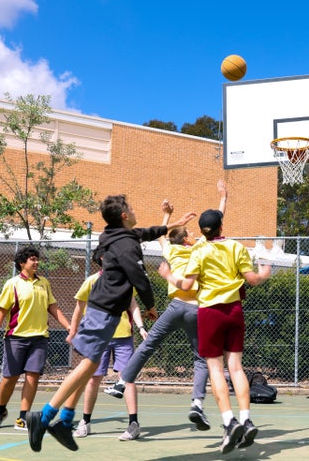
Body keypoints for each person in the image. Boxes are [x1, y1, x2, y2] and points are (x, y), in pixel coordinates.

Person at [25, 194, 190, 452]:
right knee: (87, 366)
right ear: (124, 215)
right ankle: (44, 416)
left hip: (106, 312)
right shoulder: (127, 246)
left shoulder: (114, 235)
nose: (135, 211)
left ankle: (65, 422)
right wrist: (152, 306)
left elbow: (144, 232)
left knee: (89, 369)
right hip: (103, 311)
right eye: (132, 207)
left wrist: (172, 222)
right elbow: (140, 279)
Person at [105, 180, 228, 435]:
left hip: (174, 307)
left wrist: (168, 215)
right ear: (186, 242)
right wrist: (222, 197)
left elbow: (161, 235)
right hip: (196, 309)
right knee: (200, 359)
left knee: (148, 345)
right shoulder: (202, 250)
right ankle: (196, 403)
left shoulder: (171, 253)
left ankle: (122, 381)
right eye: (190, 235)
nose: (194, 236)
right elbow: (216, 224)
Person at [159, 206, 271, 455]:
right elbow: (251, 280)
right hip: (234, 311)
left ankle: (229, 421)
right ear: (222, 227)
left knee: (215, 369)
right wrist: (263, 274)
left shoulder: (199, 249)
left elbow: (187, 285)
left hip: (210, 312)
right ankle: (246, 419)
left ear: (202, 232)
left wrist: (168, 276)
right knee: (237, 368)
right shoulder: (236, 248)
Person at [0, 246, 71, 431]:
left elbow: (53, 307)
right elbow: (1, 310)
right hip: (16, 337)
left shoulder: (44, 283)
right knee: (10, 378)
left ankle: (23, 417)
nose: (36, 262)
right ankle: (0, 410)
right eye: (32, 259)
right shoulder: (12, 284)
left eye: (37, 259)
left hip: (39, 338)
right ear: (22, 263)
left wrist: (68, 326)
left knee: (33, 377)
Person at [68, 254, 149, 441]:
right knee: (92, 379)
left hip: (123, 336)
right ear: (101, 258)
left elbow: (133, 305)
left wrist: (141, 327)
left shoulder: (125, 280)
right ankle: (85, 422)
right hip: (98, 336)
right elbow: (79, 308)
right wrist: (73, 332)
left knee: (127, 379)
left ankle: (133, 424)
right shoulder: (92, 281)